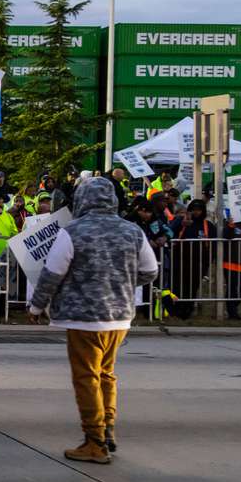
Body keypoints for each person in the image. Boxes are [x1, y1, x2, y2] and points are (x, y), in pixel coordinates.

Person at [28, 177, 158, 463]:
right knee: (106, 374)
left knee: (86, 377)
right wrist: (121, 282)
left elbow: (52, 274)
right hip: (119, 316)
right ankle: (108, 429)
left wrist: (37, 306)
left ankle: (94, 440)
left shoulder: (73, 231)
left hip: (83, 317)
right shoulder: (132, 231)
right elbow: (150, 271)